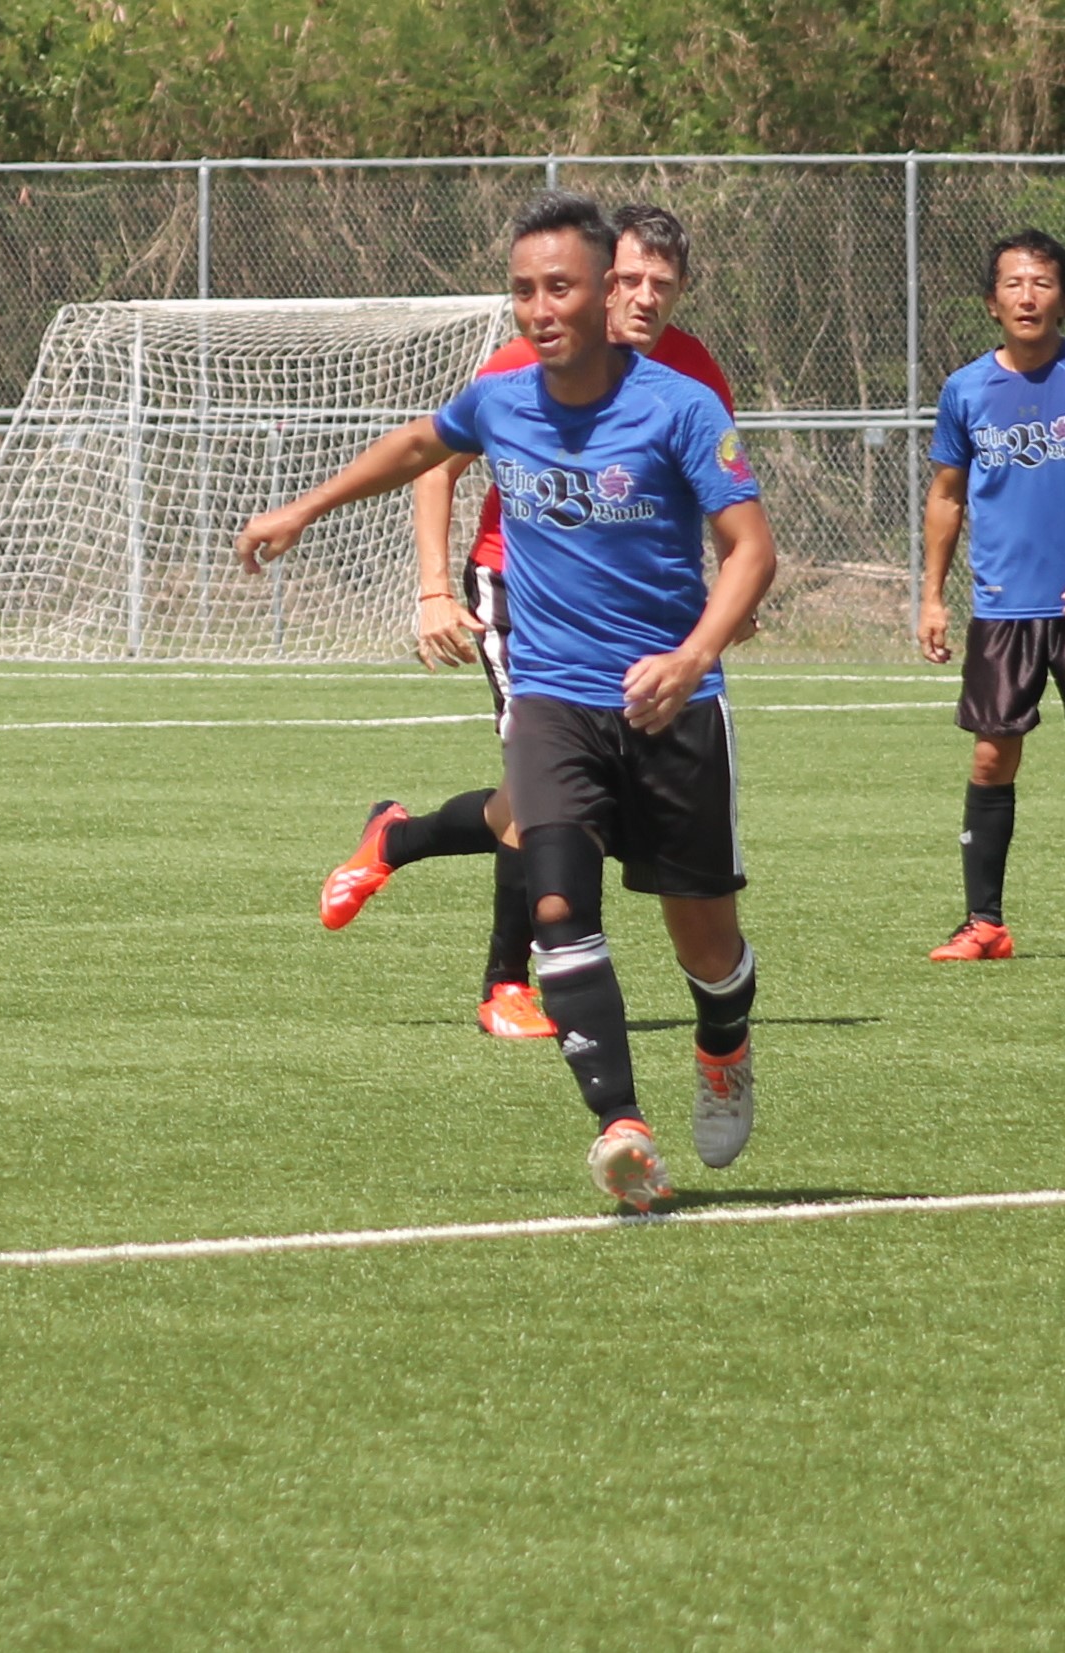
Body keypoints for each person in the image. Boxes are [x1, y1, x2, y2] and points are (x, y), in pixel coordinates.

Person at [237, 191, 775, 1210]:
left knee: (705, 944)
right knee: (559, 897)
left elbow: (753, 551)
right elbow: (417, 447)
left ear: (601, 286)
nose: (540, 307)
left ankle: (722, 1048)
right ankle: (622, 1130)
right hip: (554, 694)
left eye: (560, 286)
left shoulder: (682, 403)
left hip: (672, 702)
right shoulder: (502, 396)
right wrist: (303, 509)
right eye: (524, 289)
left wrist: (694, 649)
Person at [322, 204, 737, 1043]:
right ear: (601, 279)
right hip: (514, 586)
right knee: (540, 800)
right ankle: (506, 984)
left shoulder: (693, 376)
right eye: (628, 278)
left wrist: (720, 610)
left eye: (663, 283)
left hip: (632, 624)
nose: (643, 296)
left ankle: (395, 838)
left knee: (539, 801)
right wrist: (434, 588)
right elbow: (432, 460)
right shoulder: (528, 358)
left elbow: (706, 503)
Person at [916, 228, 1065, 961]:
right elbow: (946, 495)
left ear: (1063, 296)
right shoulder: (966, 389)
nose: (1027, 295)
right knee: (991, 758)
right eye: (1012, 283)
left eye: (1041, 282)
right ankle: (985, 923)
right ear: (991, 300)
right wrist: (933, 595)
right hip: (1004, 604)